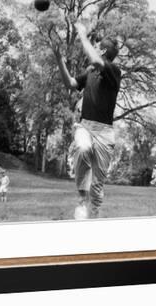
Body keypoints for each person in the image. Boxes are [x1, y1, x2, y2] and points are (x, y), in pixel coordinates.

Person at [50, 20, 121, 219]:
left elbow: (97, 61)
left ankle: (92, 224)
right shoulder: (90, 72)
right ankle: (81, 199)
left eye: (97, 46)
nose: (94, 48)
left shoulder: (114, 72)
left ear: (104, 52)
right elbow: (71, 83)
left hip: (105, 133)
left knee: (97, 190)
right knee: (82, 148)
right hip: (85, 126)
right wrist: (59, 59)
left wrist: (81, 34)